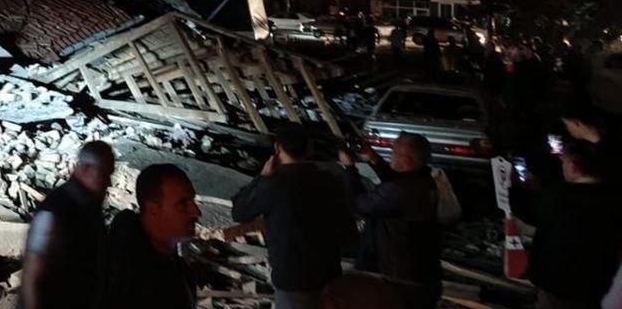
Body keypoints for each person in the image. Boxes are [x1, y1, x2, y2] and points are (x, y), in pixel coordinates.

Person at [230, 126, 355, 309]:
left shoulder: (273, 185)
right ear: (310, 148)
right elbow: (348, 231)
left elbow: (240, 212)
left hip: (293, 280)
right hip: (328, 275)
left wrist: (262, 177)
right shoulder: (330, 181)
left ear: (277, 148)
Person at [512, 140, 622, 309]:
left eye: (563, 162)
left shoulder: (557, 196)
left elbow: (525, 211)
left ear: (573, 167)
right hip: (601, 284)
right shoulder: (614, 199)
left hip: (558, 284)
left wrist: (515, 186)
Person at [338, 133, 441, 309]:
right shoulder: (424, 179)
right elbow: (396, 178)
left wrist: (349, 168)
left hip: (397, 273)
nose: (390, 156)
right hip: (419, 268)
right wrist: (373, 158)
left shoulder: (399, 191)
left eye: (393, 153)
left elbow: (359, 205)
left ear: (406, 161)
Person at [19, 141, 115, 309]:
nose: (109, 182)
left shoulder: (89, 204)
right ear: (86, 169)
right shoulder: (54, 211)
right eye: (105, 174)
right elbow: (33, 273)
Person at [103, 163, 202, 309]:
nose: (197, 212)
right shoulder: (127, 286)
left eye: (192, 200)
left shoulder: (174, 267)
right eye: (182, 204)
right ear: (153, 209)